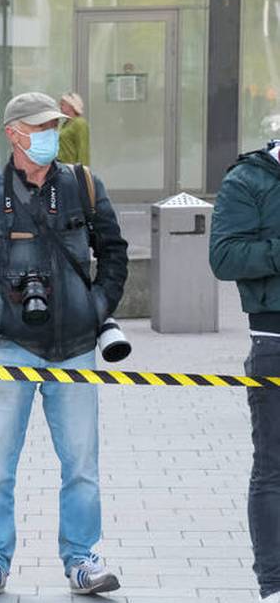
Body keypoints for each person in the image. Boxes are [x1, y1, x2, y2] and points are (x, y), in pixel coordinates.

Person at [0, 91, 127, 596]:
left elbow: (114, 252)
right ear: (14, 133)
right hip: (7, 348)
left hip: (75, 347)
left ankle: (82, 559)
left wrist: (98, 307)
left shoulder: (84, 186)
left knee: (82, 466)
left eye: (54, 126)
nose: (50, 135)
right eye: (41, 127)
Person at [209, 139, 280, 603]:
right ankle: (274, 585)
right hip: (275, 341)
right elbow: (225, 257)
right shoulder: (247, 180)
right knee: (274, 469)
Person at [57, 92, 89, 165]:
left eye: (62, 104)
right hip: (62, 165)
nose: (60, 107)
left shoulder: (80, 123)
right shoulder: (65, 124)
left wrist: (82, 171)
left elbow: (83, 149)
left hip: (72, 167)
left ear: (71, 105)